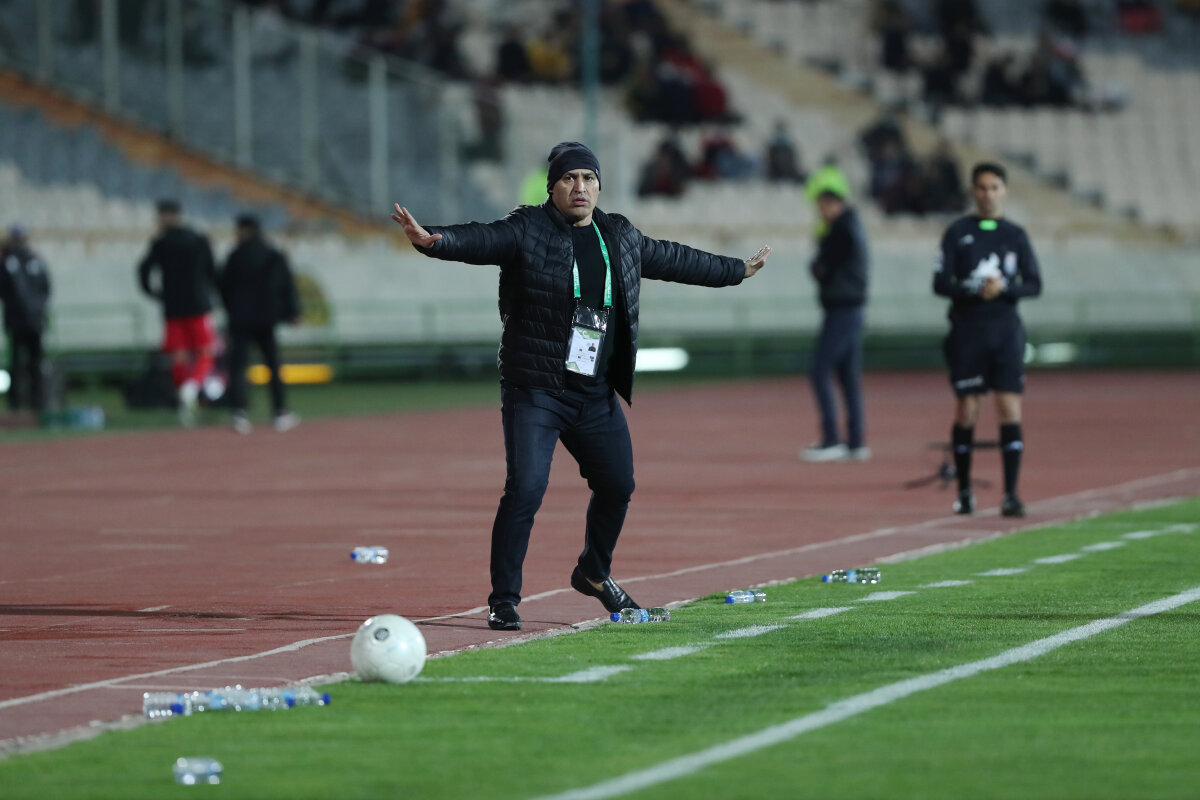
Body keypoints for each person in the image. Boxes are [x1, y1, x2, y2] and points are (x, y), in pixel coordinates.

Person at [391, 141, 771, 631]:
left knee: (618, 484)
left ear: (599, 187)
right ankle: (504, 600)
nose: (580, 187)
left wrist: (736, 270)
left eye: (588, 178)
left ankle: (593, 571)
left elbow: (675, 259)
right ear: (552, 187)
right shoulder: (528, 228)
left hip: (594, 392)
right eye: (569, 178)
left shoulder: (619, 235)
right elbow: (483, 239)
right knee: (526, 489)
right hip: (537, 389)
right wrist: (435, 240)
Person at [933, 162, 1042, 518]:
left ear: (1004, 191)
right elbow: (940, 283)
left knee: (1009, 409)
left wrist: (1004, 288)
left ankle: (1011, 494)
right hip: (967, 333)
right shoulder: (957, 232)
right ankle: (964, 491)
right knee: (967, 409)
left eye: (994, 187)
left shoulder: (1015, 235)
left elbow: (1034, 283)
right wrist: (975, 288)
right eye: (982, 187)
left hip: (1006, 333)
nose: (988, 194)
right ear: (973, 191)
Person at [136, 199, 219, 427]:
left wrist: (153, 292)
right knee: (205, 351)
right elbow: (212, 271)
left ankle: (184, 395)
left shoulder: (161, 242)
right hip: (198, 306)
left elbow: (144, 270)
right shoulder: (198, 239)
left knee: (179, 354)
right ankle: (192, 387)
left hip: (173, 308)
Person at [801, 190, 869, 462]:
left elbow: (822, 267)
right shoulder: (854, 227)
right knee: (848, 376)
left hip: (842, 309)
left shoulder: (840, 231)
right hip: (853, 308)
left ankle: (831, 439)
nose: (820, 212)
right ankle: (855, 442)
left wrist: (818, 266)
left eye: (822, 206)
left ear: (834, 205)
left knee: (820, 370)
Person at [218, 214, 301, 434]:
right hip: (266, 319)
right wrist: (292, 311)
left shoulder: (235, 256)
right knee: (273, 365)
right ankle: (280, 412)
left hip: (241, 320)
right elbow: (286, 284)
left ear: (245, 230)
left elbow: (223, 287)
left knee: (238, 367)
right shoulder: (272, 254)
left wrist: (231, 311)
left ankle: (239, 412)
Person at [0, 225, 52, 414]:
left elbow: (46, 288)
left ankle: (39, 401)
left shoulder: (34, 260)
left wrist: (36, 308)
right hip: (18, 320)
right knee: (16, 363)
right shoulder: (8, 261)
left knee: (36, 363)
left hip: (33, 320)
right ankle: (16, 403)